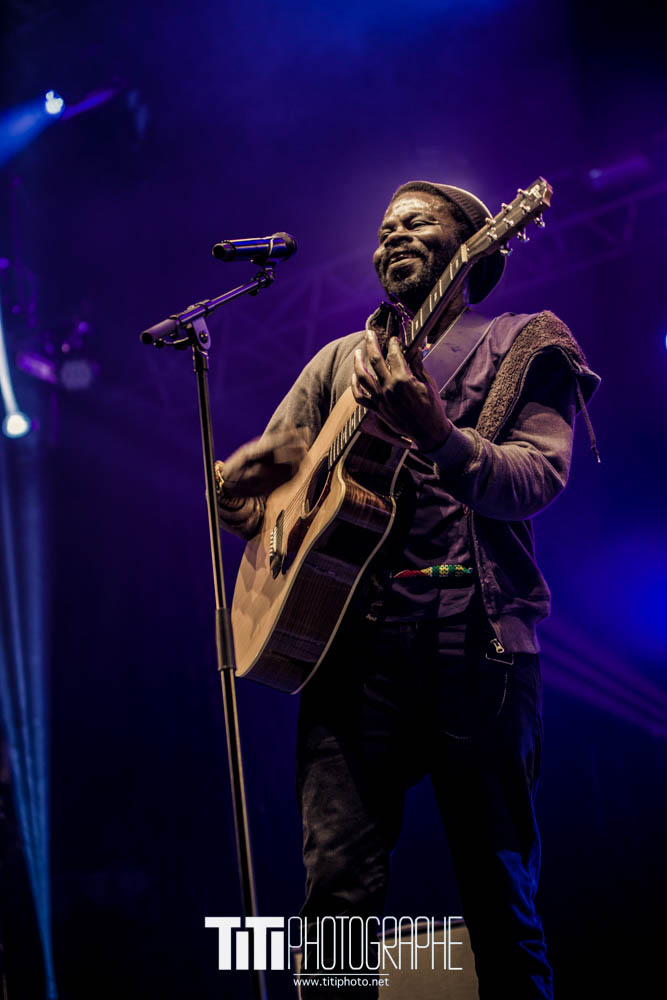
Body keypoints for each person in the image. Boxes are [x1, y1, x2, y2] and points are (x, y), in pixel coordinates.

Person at [214, 181, 600, 998]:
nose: (390, 237)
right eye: (383, 228)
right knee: (335, 902)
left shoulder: (522, 342)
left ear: (472, 243)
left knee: (499, 899)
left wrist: (434, 431)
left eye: (415, 223)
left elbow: (535, 477)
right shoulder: (338, 364)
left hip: (473, 645)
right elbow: (279, 493)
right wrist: (243, 500)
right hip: (348, 656)